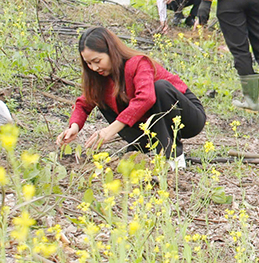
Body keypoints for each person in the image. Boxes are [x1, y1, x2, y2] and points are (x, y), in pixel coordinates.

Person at [56, 27, 205, 168]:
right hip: (149, 126)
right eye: (89, 63)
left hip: (187, 118)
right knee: (101, 96)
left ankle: (174, 158)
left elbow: (146, 98)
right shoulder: (100, 77)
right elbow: (83, 103)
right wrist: (74, 127)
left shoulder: (138, 62)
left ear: (111, 52)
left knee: (159, 88)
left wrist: (110, 130)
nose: (94, 68)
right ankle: (140, 145)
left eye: (97, 61)